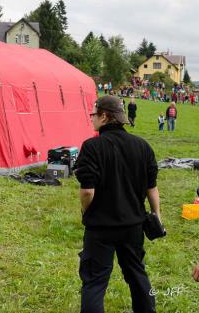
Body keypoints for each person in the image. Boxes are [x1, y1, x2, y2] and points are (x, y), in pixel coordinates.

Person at [73, 95, 159, 313]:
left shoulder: (92, 147)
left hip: (100, 227)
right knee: (138, 275)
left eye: (93, 114)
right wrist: (156, 214)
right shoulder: (143, 146)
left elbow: (87, 191)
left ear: (105, 116)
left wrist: (86, 211)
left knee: (95, 282)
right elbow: (152, 187)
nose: (91, 118)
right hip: (133, 226)